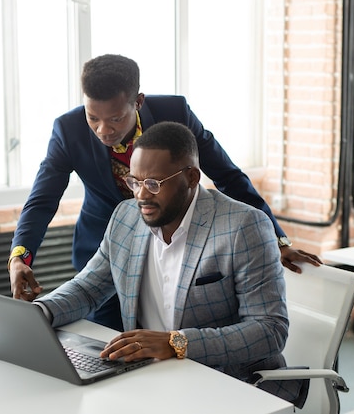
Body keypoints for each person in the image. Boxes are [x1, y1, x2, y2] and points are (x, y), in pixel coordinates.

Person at [9, 54, 321, 331]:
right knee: (108, 345)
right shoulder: (69, 130)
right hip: (107, 245)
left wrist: (276, 238)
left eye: (115, 118)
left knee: (171, 333)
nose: (104, 130)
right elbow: (42, 199)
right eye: (94, 118)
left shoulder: (175, 112)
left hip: (176, 242)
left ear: (138, 102)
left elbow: (228, 175)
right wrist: (20, 257)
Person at [32, 121, 302, 403]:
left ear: (191, 178)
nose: (141, 194)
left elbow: (269, 330)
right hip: (149, 380)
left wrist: (176, 342)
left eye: (153, 183)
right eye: (134, 181)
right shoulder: (126, 217)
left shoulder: (243, 225)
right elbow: (88, 288)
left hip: (228, 385)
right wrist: (40, 313)